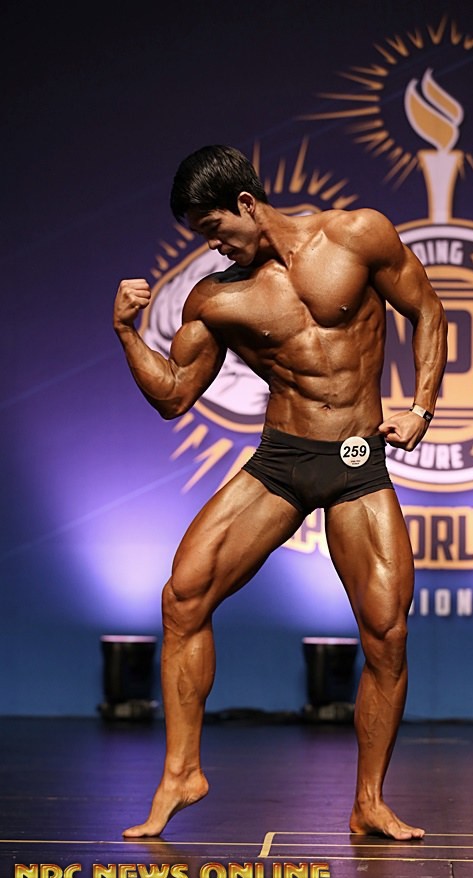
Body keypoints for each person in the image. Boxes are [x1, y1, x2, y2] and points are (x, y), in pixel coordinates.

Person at [113, 145, 447, 841]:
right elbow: (173, 397)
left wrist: (421, 406)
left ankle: (369, 801)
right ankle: (181, 773)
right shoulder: (217, 297)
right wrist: (125, 333)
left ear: (246, 203)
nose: (210, 245)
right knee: (183, 597)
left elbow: (429, 312)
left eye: (214, 229)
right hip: (281, 460)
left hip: (356, 459)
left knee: (386, 633)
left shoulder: (358, 235)